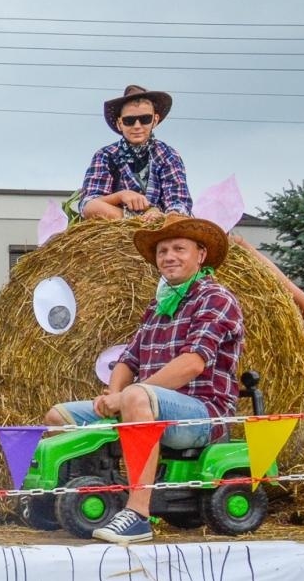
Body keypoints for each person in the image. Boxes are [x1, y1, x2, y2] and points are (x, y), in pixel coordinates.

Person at [80, 84, 304, 335]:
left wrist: (158, 216)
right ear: (119, 123)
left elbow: (179, 204)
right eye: (129, 120)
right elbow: (88, 205)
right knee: (97, 209)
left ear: (156, 120)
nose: (137, 126)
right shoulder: (105, 156)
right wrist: (123, 196)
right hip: (119, 229)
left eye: (144, 119)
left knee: (237, 244)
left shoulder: (167, 155)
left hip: (166, 227)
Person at [45, 215, 244, 545]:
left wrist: (127, 398)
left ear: (201, 255)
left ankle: (138, 514)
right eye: (163, 250)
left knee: (138, 396)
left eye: (179, 248)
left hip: (201, 415)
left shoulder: (215, 298)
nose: (169, 256)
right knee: (58, 416)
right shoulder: (160, 304)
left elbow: (192, 364)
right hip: (148, 404)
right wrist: (112, 394)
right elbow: (128, 360)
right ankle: (81, 497)